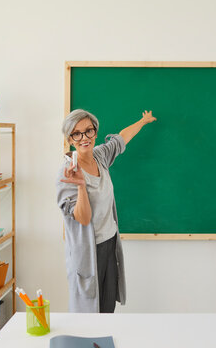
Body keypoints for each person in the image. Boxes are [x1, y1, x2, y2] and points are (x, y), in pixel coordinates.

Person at [56, 109, 157, 313]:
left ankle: (104, 344)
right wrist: (81, 186)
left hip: (109, 243)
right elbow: (82, 219)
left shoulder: (99, 156)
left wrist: (143, 121)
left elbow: (121, 138)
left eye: (89, 131)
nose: (84, 138)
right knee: (88, 311)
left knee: (107, 307)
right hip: (87, 252)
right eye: (77, 133)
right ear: (70, 139)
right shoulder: (67, 173)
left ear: (95, 132)